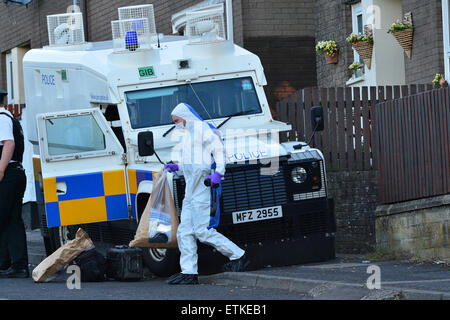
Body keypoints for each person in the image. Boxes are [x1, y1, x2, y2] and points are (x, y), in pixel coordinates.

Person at [165, 103, 249, 285]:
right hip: (191, 191)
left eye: (177, 121)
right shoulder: (188, 136)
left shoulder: (203, 130)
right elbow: (194, 162)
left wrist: (219, 172)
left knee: (203, 231)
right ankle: (188, 272)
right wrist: (177, 167)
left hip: (204, 188)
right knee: (184, 232)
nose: (176, 124)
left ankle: (239, 255)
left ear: (185, 116)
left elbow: (218, 151)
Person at [0, 104, 28, 278]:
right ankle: (13, 264)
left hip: (8, 174)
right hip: (15, 173)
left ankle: (15, 264)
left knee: (7, 218)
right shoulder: (8, 117)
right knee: (11, 219)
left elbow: (9, 144)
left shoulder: (1, 118)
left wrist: (1, 170)